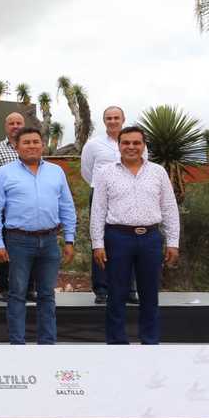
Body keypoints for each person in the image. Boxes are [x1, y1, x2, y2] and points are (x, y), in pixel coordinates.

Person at [0, 127, 76, 345]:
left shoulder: (56, 172)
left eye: (36, 141)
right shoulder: (4, 173)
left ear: (42, 145)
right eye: (26, 142)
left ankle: (47, 343)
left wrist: (70, 239)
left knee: (47, 295)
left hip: (50, 242)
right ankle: (18, 344)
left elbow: (67, 206)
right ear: (16, 147)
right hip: (17, 242)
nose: (32, 146)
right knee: (17, 295)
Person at [90, 126, 178, 345]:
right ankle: (117, 343)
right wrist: (97, 244)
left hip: (150, 238)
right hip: (118, 238)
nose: (131, 147)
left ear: (143, 145)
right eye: (126, 143)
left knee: (150, 294)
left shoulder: (158, 172)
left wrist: (173, 242)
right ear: (119, 146)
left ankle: (150, 341)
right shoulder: (105, 173)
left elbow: (169, 208)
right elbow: (98, 210)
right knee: (116, 294)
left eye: (136, 143)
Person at [81, 106, 142, 305]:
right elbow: (86, 171)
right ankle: (101, 288)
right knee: (99, 240)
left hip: (129, 194)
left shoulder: (136, 143)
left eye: (116, 117)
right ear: (104, 120)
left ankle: (130, 289)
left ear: (123, 119)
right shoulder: (93, 144)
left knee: (130, 239)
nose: (113, 121)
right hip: (100, 195)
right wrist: (102, 188)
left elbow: (141, 168)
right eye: (109, 118)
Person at [0, 112, 33, 303]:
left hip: (28, 211)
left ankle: (29, 289)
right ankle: (4, 288)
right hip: (3, 211)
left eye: (19, 122)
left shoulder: (32, 146)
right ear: (6, 126)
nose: (15, 126)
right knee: (3, 250)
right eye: (12, 123)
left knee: (30, 249)